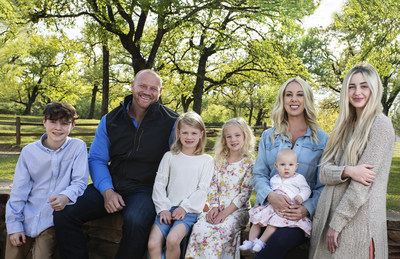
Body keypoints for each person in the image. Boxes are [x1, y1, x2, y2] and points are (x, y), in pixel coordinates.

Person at [53, 69, 179, 259]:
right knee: (65, 213)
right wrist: (107, 191)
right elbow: (97, 159)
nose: (147, 91)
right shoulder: (110, 119)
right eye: (142, 86)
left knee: (136, 220)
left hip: (146, 188)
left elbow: (180, 162)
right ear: (132, 86)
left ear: (160, 92)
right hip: (112, 182)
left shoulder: (172, 122)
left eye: (153, 88)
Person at [310, 63, 395, 259]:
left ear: (374, 89)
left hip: (358, 222)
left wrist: (337, 223)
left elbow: (361, 186)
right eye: (352, 86)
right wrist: (348, 170)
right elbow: (323, 172)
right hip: (329, 219)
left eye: (364, 86)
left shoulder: (380, 125)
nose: (357, 92)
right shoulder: (343, 126)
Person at [251, 77, 329, 258]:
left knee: (275, 244)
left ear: (307, 99)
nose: (294, 99)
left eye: (299, 94)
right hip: (269, 210)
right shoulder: (268, 136)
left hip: (297, 218)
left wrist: (306, 208)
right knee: (260, 241)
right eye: (289, 95)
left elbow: (323, 185)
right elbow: (259, 174)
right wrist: (271, 196)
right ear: (282, 99)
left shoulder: (322, 140)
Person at [5, 102, 89, 259]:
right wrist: (14, 225)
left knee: (42, 255)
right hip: (25, 216)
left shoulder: (78, 147)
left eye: (65, 123)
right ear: (44, 121)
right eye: (53, 122)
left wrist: (66, 196)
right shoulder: (29, 152)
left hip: (50, 221)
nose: (58, 128)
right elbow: (18, 191)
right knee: (13, 254)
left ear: (73, 125)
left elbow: (80, 181)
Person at [185, 117, 256, 258]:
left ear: (245, 136)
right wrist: (214, 207)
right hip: (217, 209)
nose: (233, 139)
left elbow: (244, 194)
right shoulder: (219, 160)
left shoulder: (249, 164)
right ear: (224, 139)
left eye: (237, 135)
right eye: (228, 136)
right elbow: (213, 186)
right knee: (199, 228)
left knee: (220, 230)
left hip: (237, 211)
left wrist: (225, 213)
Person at [147, 111, 214, 259]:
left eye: (193, 133)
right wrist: (163, 208)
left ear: (201, 134)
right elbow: (159, 184)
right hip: (166, 208)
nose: (189, 137)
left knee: (172, 239)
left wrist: (184, 207)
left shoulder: (206, 160)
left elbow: (203, 189)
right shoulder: (169, 157)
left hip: (189, 211)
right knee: (152, 243)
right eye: (185, 132)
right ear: (178, 133)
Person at [240, 148, 312, 252]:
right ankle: (250, 242)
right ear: (276, 166)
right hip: (272, 207)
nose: (287, 168)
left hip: (286, 208)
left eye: (290, 165)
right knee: (256, 221)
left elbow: (306, 189)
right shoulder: (274, 179)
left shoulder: (298, 178)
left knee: (273, 223)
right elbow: (271, 191)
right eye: (282, 165)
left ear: (296, 166)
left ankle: (260, 242)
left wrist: (301, 196)